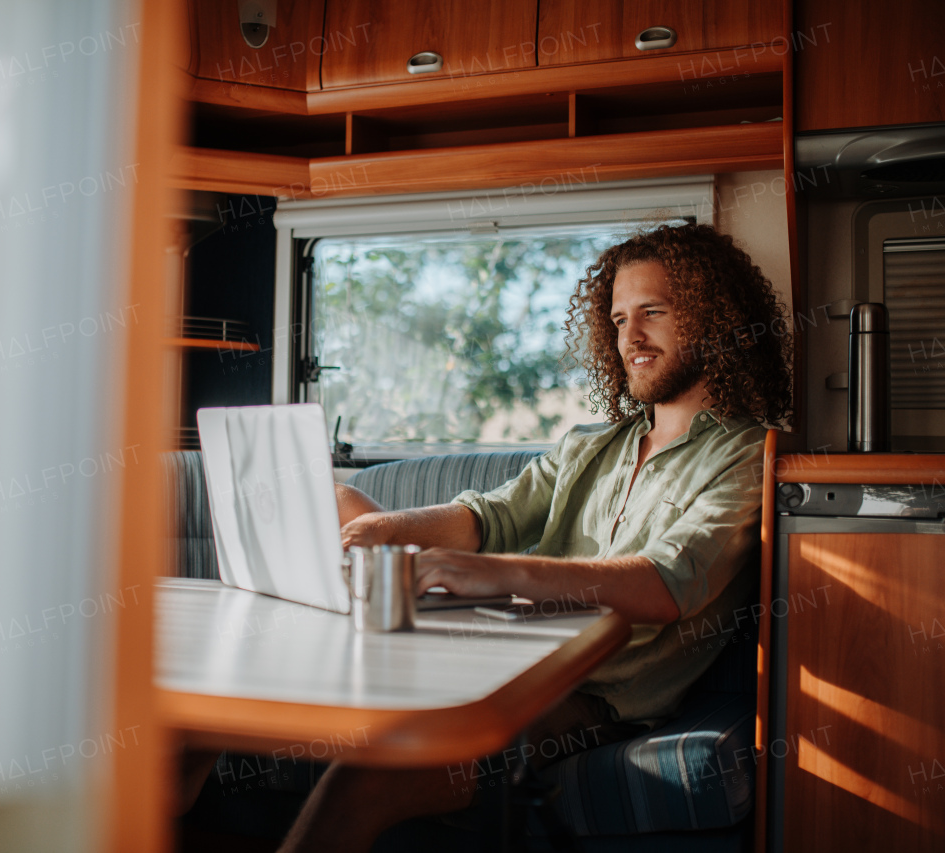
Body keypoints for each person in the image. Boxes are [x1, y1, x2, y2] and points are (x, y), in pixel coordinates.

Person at [187, 222, 793, 851]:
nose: (629, 338)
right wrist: (384, 530)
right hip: (499, 644)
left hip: (587, 695)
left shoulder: (749, 453)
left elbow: (669, 584)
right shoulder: (592, 444)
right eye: (616, 320)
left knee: (363, 777)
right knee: (206, 711)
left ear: (713, 319)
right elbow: (492, 515)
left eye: (653, 313)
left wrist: (483, 571)